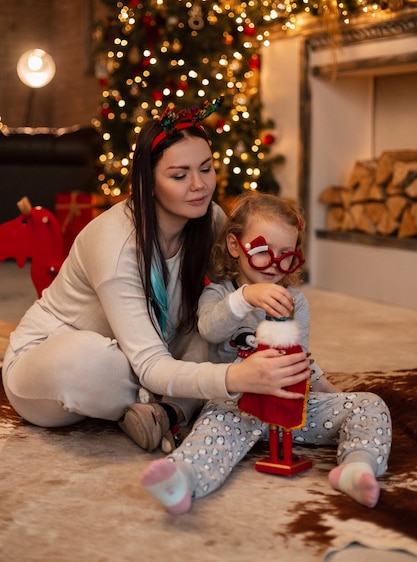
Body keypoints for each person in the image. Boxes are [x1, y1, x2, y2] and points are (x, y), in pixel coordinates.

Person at [2, 100, 312, 456]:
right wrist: (234, 378)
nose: (199, 185)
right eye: (179, 175)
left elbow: (235, 296)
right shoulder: (116, 244)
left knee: (207, 326)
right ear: (148, 183)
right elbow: (148, 364)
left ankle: (164, 412)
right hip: (52, 365)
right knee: (88, 361)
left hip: (150, 347)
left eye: (206, 169)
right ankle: (175, 405)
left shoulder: (209, 221)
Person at [140, 192, 392, 514]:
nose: (275, 265)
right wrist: (245, 297)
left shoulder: (295, 301)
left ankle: (358, 468)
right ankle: (184, 478)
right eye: (262, 252)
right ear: (236, 247)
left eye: (285, 255)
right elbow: (210, 329)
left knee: (369, 404)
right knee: (214, 428)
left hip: (290, 411)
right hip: (237, 406)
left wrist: (330, 389)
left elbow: (299, 358)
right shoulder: (218, 294)